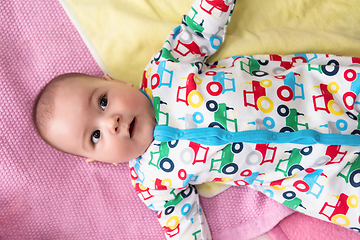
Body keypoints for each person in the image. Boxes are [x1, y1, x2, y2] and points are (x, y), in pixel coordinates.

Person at [34, 0, 360, 239]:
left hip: (323, 91)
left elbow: (198, 28)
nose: (111, 122)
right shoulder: (152, 180)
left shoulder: (166, 70)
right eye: (95, 136)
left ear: (117, 82)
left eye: (103, 102)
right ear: (97, 161)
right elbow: (182, 224)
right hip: (316, 175)